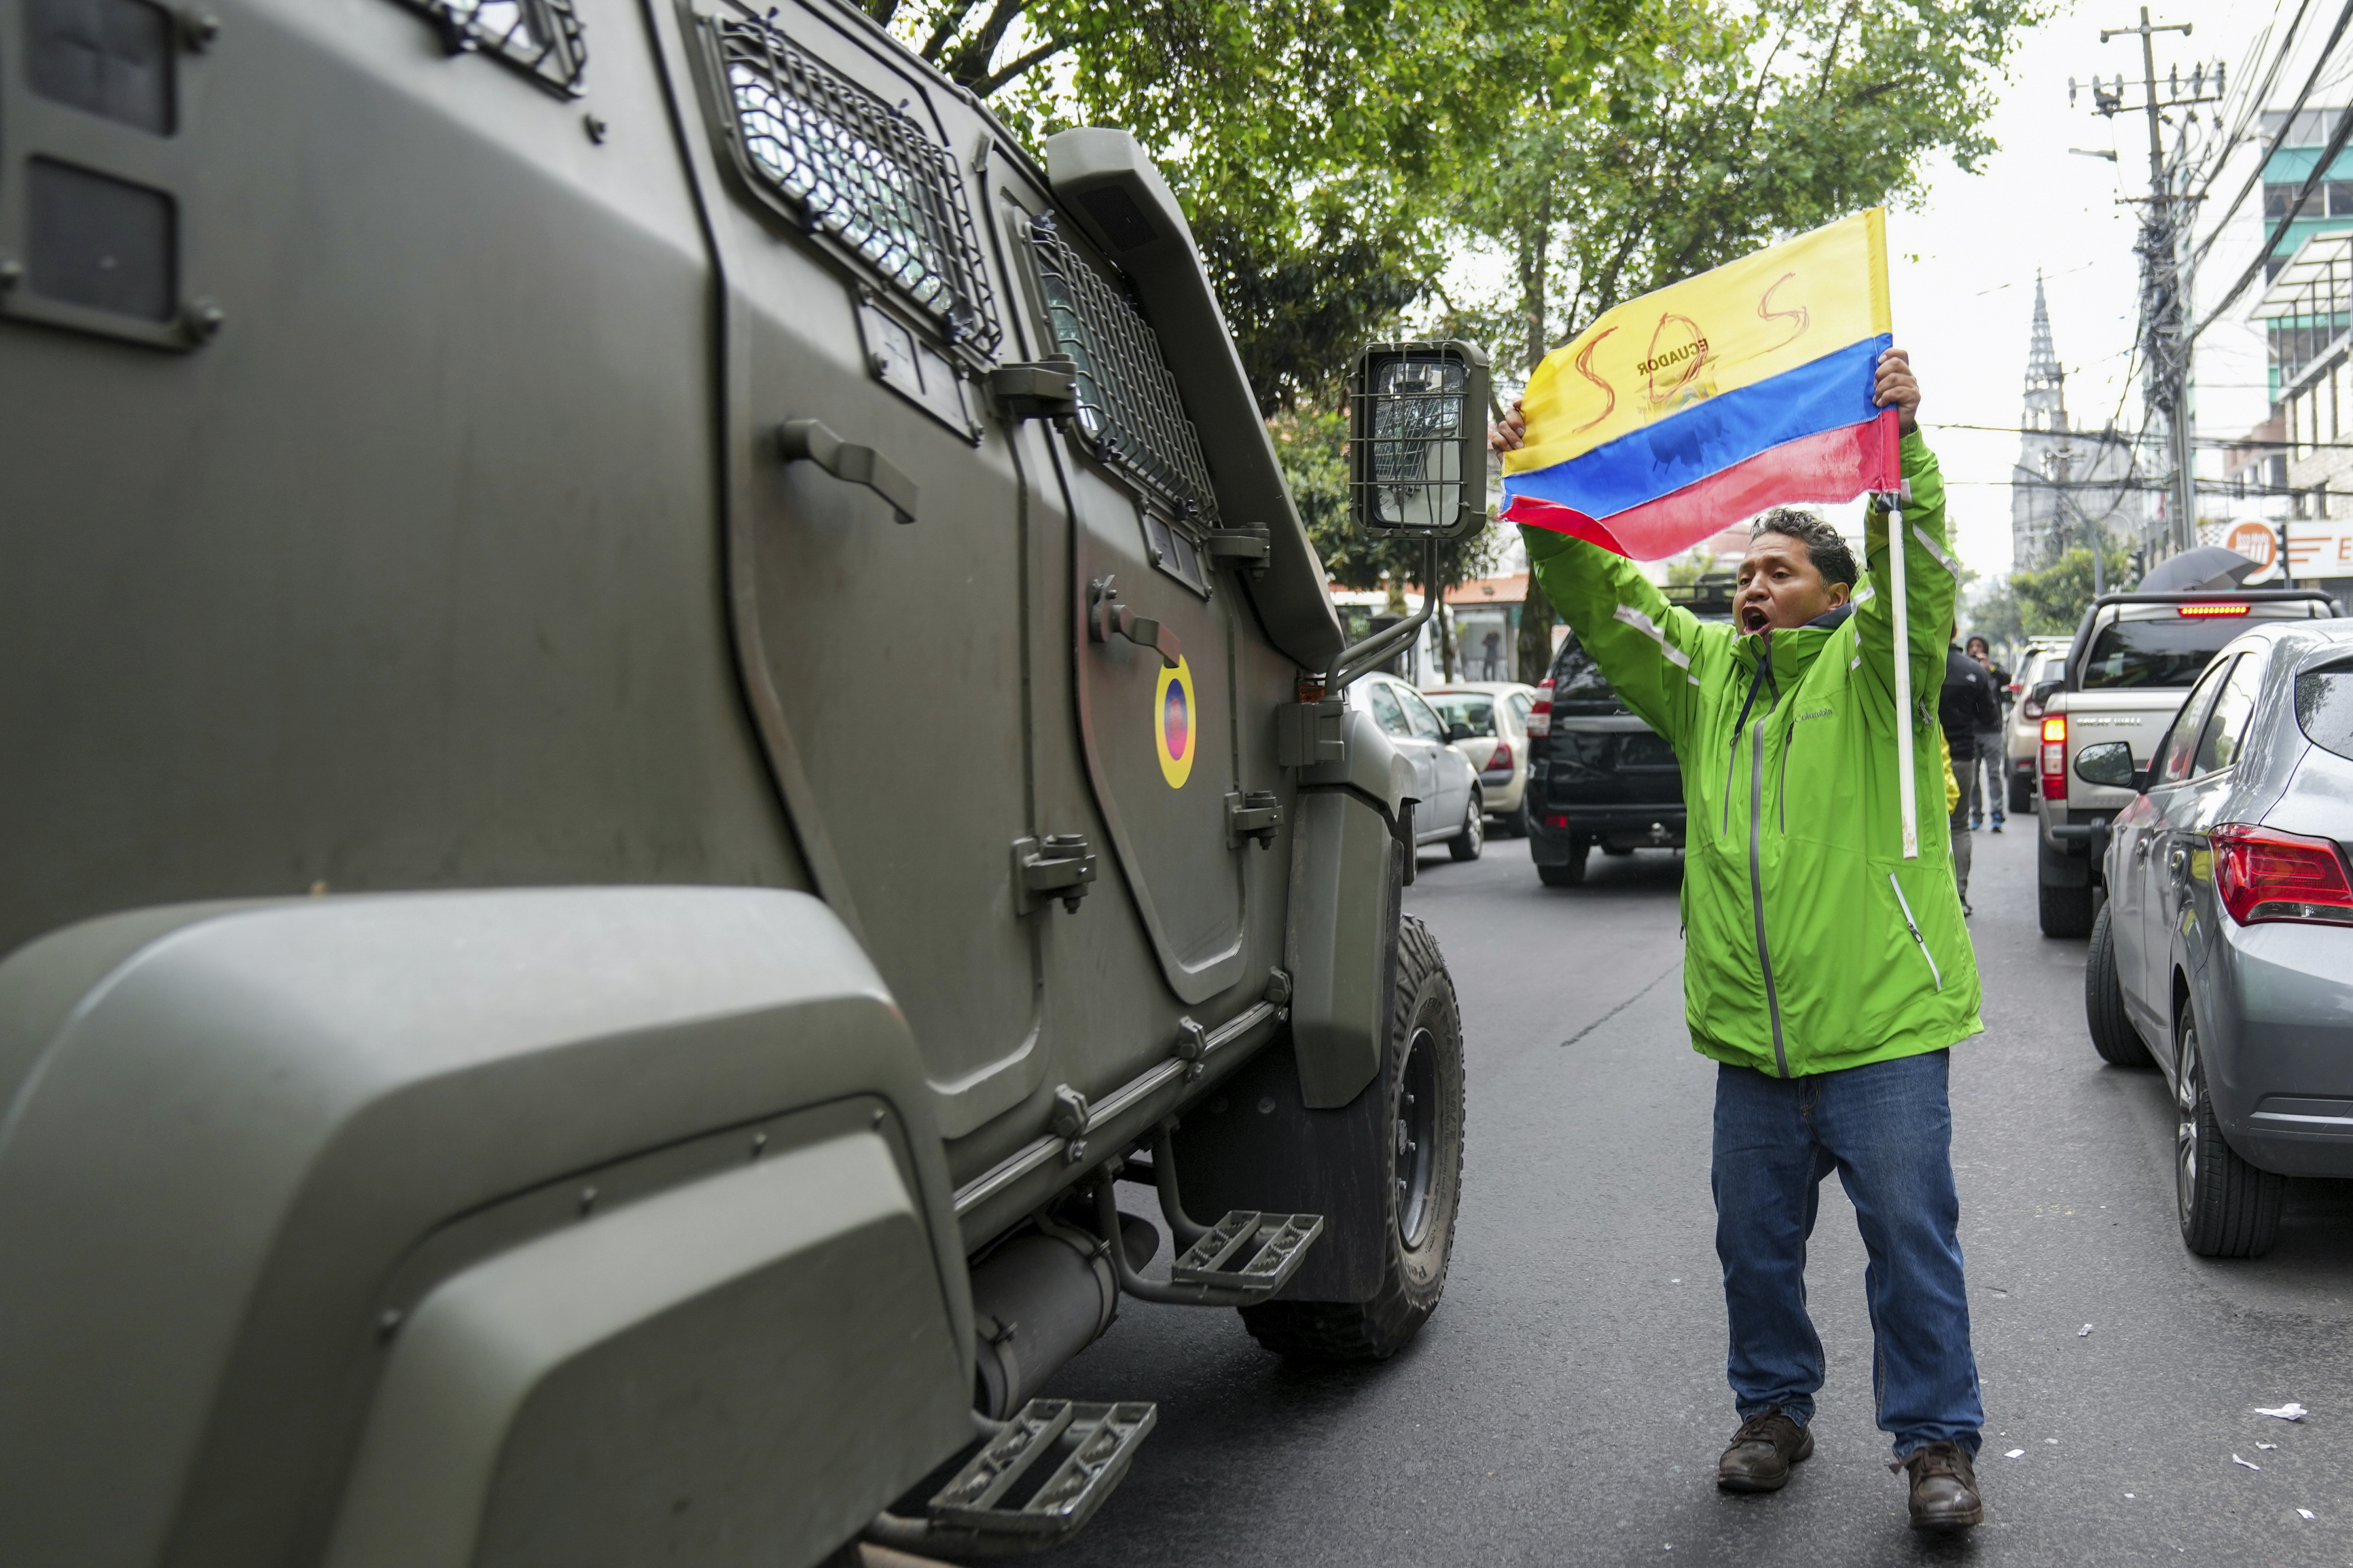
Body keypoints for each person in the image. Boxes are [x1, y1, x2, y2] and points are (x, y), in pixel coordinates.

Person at [1491, 349, 1988, 1531]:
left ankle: (1934, 1445)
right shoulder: (1702, 678)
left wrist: (1901, 451)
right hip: (1750, 1042)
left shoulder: (1878, 675)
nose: (1749, 584)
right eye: (1740, 571)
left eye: (1775, 570)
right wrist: (1537, 483)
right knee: (1751, 1247)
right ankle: (1771, 1410)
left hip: (1880, 1025)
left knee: (1907, 1245)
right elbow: (1608, 603)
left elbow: (1917, 583)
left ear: (1827, 590)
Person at [1939, 632, 2001, 914]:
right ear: (1955, 632)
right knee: (1960, 825)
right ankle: (1959, 898)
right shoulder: (1973, 671)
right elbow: (1988, 717)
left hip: (1919, 760)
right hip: (1961, 758)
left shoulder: (1915, 666)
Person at [1964, 636, 2010, 831]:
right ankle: (1976, 815)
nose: (1975, 650)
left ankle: (1997, 815)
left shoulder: (1992, 670)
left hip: (1992, 731)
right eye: (1972, 647)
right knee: (1972, 777)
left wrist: (1988, 668)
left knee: (1993, 774)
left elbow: (2006, 679)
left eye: (1979, 646)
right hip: (1971, 732)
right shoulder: (1964, 669)